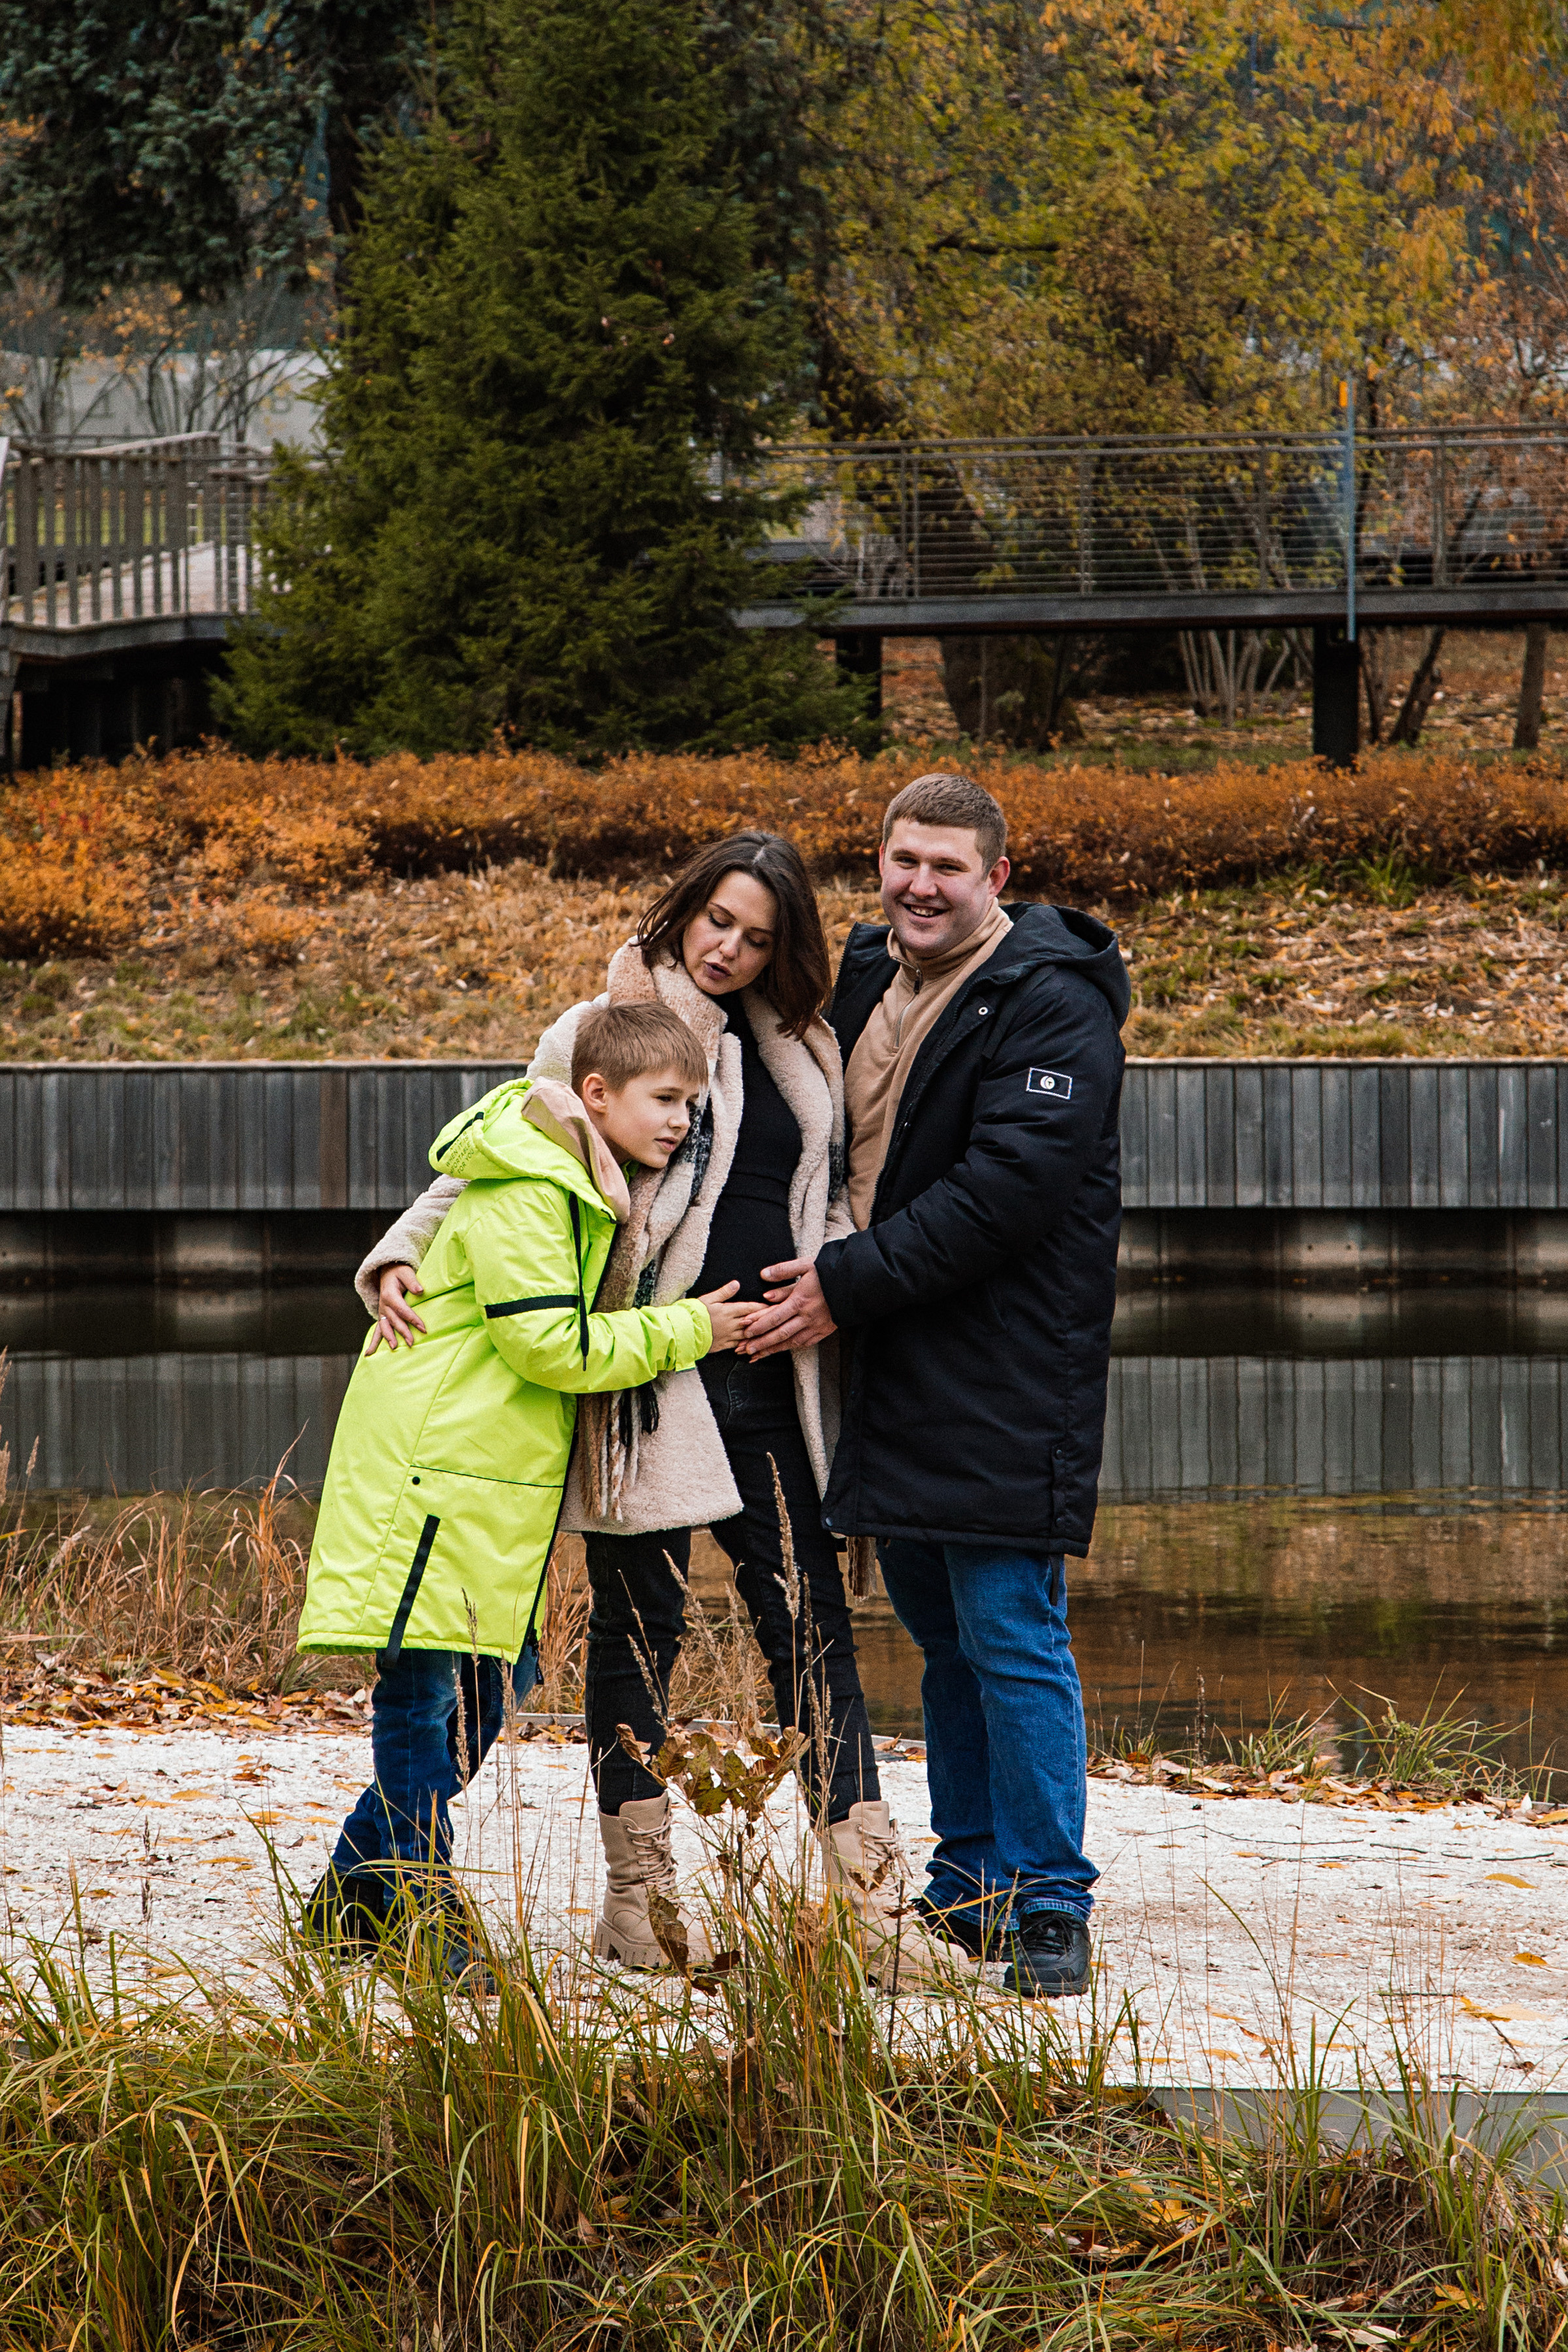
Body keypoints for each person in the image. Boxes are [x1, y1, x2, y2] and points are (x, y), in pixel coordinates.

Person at [361, 832, 959, 1987]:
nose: (729, 948)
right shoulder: (606, 1023)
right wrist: (400, 1251)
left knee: (813, 1630)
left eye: (758, 935)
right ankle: (640, 1909)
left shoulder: (804, 1045)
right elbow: (504, 1151)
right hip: (648, 1375)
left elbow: (826, 1194)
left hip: (773, 1374)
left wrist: (831, 1284)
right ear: (685, 911)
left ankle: (874, 1915)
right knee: (645, 1640)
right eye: (716, 922)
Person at [740, 772, 1130, 1997]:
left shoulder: (1052, 1004)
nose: (920, 883)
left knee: (1012, 1631)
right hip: (890, 1357)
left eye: (948, 866)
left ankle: (1052, 1902)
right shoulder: (866, 973)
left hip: (1007, 1361)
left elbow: (1007, 1190)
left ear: (995, 878)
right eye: (904, 859)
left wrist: (844, 1282)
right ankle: (971, 1885)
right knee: (939, 1630)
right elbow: (698, 997)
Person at [299, 1002, 753, 1965]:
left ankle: (353, 1889)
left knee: (497, 1683)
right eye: (665, 1100)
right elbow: (548, 1345)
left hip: (486, 1473)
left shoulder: (573, 1177)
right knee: (427, 1690)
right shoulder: (531, 1185)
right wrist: (691, 1330)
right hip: (436, 1467)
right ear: (598, 1094)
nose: (680, 1121)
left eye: (692, 1103)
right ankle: (422, 1907)